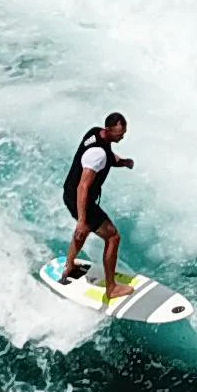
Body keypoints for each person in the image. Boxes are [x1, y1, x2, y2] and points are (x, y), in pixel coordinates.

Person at [58, 112, 131, 284]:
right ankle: (111, 288)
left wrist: (124, 162)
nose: (122, 137)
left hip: (70, 193)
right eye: (120, 134)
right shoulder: (97, 154)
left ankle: (69, 265)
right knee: (113, 236)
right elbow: (83, 187)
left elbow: (109, 156)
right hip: (79, 197)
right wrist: (82, 220)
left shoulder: (96, 133)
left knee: (86, 229)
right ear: (108, 130)